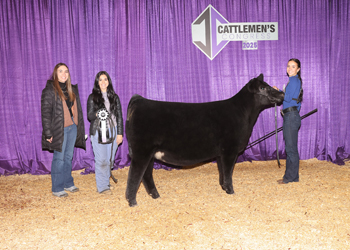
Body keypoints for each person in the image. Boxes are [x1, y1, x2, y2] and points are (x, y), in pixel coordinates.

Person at [41, 63, 86, 197]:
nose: (63, 74)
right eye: (60, 71)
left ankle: (68, 183)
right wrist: (48, 133)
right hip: (59, 130)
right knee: (59, 158)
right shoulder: (49, 90)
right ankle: (57, 187)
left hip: (72, 128)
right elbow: (46, 113)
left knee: (68, 157)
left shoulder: (71, 89)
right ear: (55, 74)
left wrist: (78, 127)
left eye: (66, 71)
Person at [87, 71, 123, 195]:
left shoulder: (115, 97)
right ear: (97, 82)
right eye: (100, 80)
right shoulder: (92, 97)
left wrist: (119, 133)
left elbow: (119, 117)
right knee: (102, 160)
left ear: (108, 82)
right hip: (98, 131)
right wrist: (98, 114)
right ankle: (102, 187)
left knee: (110, 159)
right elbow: (90, 115)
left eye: (105, 79)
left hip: (113, 131)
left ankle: (106, 182)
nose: (103, 82)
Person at [273, 58, 303, 184]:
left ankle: (290, 177)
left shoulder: (294, 81)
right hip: (291, 116)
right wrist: (280, 91)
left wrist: (277, 92)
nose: (290, 69)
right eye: (288, 66)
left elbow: (287, 97)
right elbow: (289, 97)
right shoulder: (293, 81)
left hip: (291, 116)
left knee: (290, 149)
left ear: (298, 69)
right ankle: (293, 176)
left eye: (293, 66)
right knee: (291, 148)